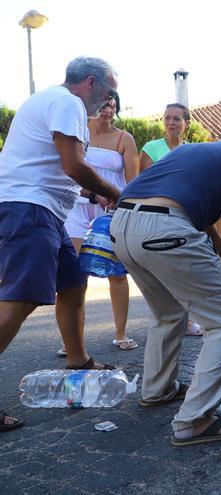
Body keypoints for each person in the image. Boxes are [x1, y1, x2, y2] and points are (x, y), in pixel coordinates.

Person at [109, 138, 221, 446]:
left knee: (168, 314)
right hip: (164, 229)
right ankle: (193, 420)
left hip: (121, 225)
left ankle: (157, 390)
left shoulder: (189, 157)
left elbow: (208, 231)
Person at [0, 57, 122, 431]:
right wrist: (114, 192)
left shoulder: (53, 101)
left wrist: (93, 195)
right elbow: (73, 165)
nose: (108, 100)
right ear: (90, 82)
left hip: (43, 211)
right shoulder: (68, 103)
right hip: (29, 210)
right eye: (109, 91)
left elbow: (59, 171)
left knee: (72, 282)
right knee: (19, 301)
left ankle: (78, 359)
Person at [58, 96, 140, 353]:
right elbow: (68, 170)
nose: (108, 109)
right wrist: (92, 194)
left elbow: (133, 180)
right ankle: (71, 342)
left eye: (113, 104)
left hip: (110, 211)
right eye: (103, 104)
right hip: (77, 209)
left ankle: (120, 333)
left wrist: (123, 203)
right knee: (74, 275)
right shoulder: (79, 133)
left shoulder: (124, 138)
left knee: (117, 274)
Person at [138, 103, 204, 336]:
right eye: (167, 118)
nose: (171, 123)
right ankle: (169, 320)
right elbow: (145, 184)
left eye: (177, 119)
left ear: (186, 123)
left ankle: (184, 321)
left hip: (185, 216)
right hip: (158, 216)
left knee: (185, 269)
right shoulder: (151, 148)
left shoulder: (192, 151)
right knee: (164, 271)